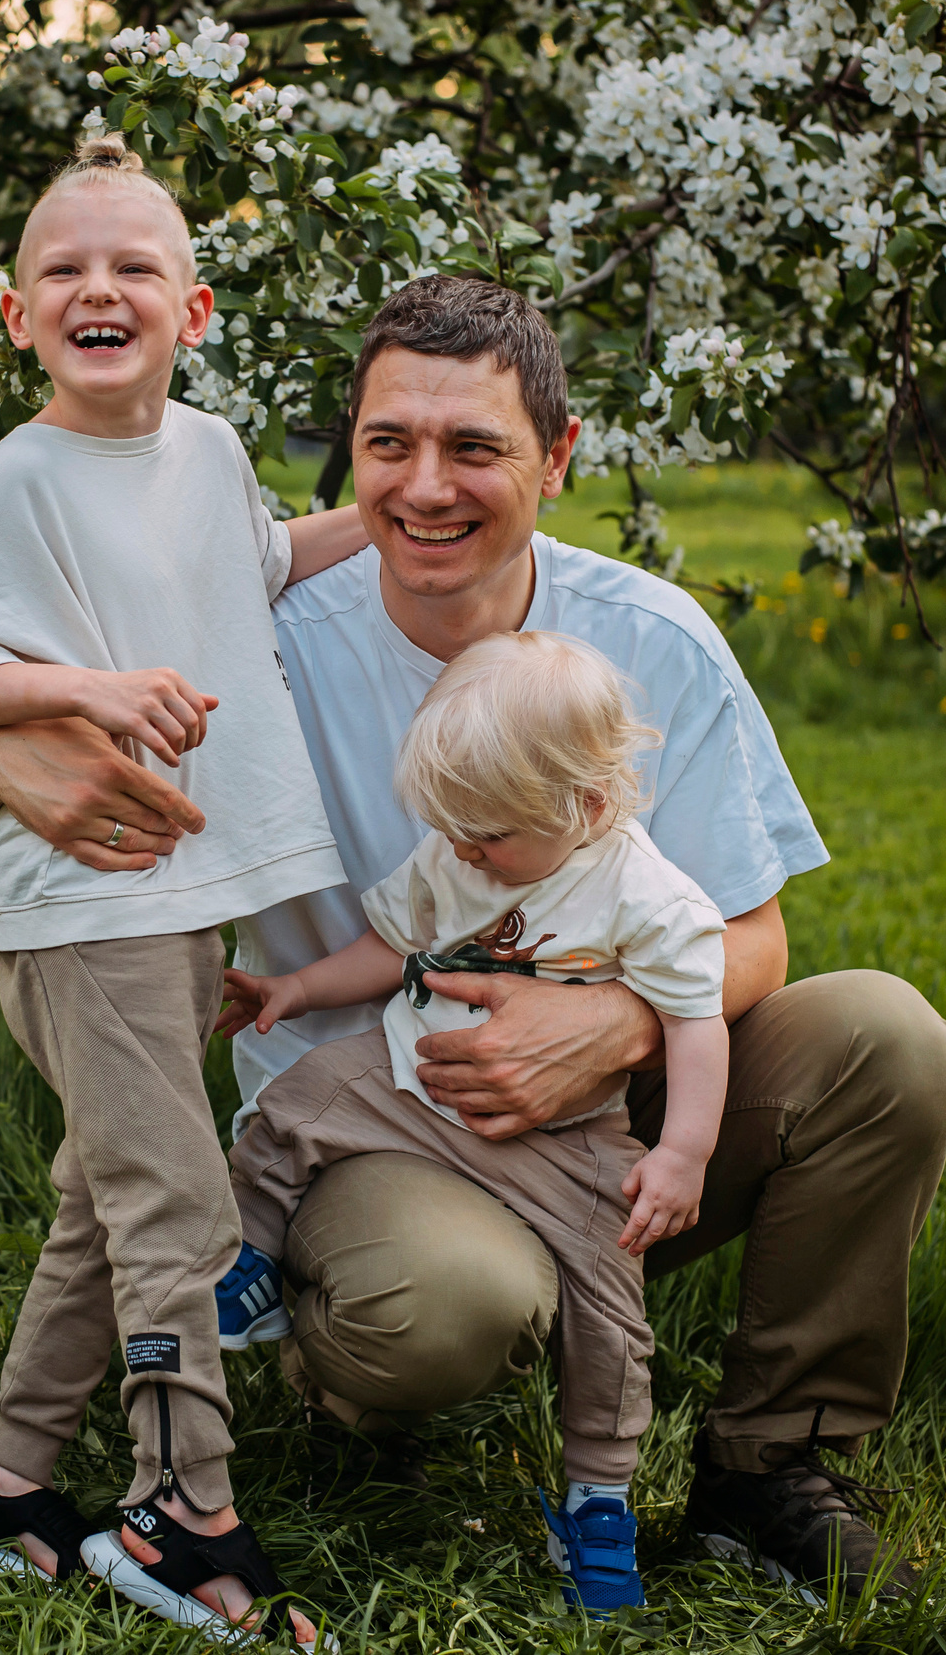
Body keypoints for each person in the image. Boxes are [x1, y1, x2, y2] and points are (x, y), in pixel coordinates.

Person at [0, 273, 946, 1603]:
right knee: (445, 1305)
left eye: (474, 446)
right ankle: (346, 1355)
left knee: (884, 1040)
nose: (425, 487)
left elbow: (750, 936)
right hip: (369, 1122)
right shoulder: (257, 646)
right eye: (388, 443)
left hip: (612, 1116)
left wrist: (616, 1025)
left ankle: (771, 1463)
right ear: (349, 448)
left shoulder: (646, 638)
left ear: (557, 454)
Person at [0, 133, 364, 1645]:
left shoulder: (211, 450)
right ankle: (181, 1508)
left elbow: (258, 562)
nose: (98, 289)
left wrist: (401, 507)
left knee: (104, 1204)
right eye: (64, 270)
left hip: (186, 897)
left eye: (133, 267)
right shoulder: (15, 480)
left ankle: (7, 1488)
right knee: (174, 1198)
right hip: (86, 904)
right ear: (17, 315)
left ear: (194, 309)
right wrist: (88, 689)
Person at [217, 629, 731, 1611]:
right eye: (450, 828)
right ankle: (248, 1263)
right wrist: (296, 986)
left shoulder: (646, 894)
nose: (461, 851)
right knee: (299, 1100)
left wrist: (683, 1150)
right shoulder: (460, 847)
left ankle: (598, 1499)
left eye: (486, 836)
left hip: (566, 1140)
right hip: (413, 1082)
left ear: (587, 805)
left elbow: (694, 1024)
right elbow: (391, 944)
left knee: (613, 1308)